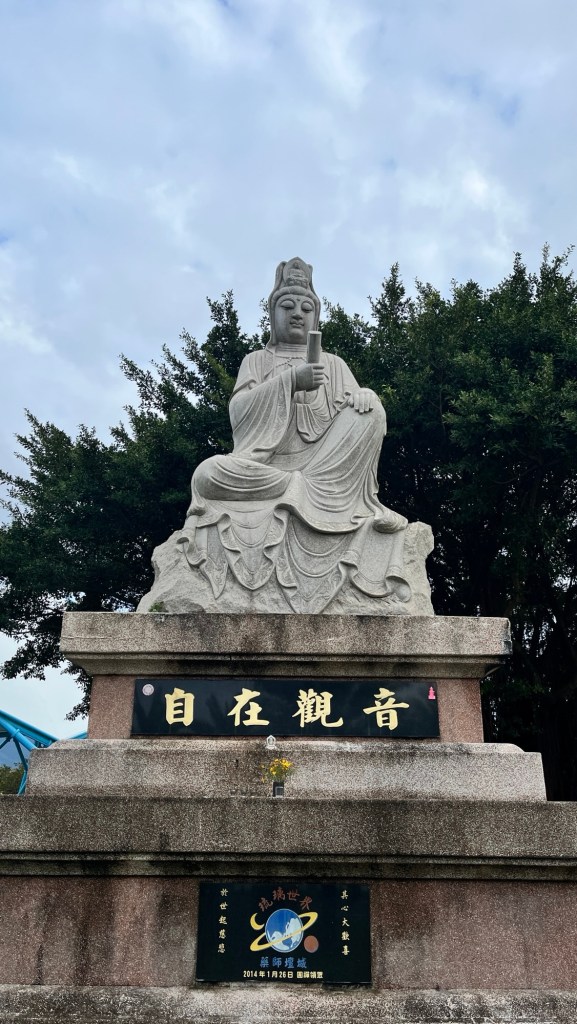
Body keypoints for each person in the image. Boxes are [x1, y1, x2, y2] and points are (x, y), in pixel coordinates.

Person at [175, 257, 411, 614]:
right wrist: (289, 381)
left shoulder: (334, 364)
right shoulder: (256, 361)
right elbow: (239, 414)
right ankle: (300, 489)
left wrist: (366, 396)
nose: (297, 314)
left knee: (373, 411)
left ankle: (314, 491)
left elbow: (357, 414)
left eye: (306, 308)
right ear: (273, 315)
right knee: (207, 474)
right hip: (269, 471)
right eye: (287, 306)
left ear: (316, 317)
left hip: (326, 468)